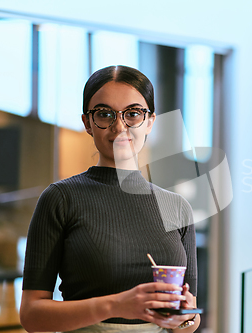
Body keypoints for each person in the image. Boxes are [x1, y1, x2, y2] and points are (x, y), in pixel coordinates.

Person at [20, 65, 200, 333]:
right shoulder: (61, 198)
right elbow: (32, 315)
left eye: (133, 113)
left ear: (150, 121)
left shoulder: (177, 207)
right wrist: (116, 305)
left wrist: (184, 320)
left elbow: (190, 319)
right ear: (87, 123)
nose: (119, 126)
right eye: (104, 114)